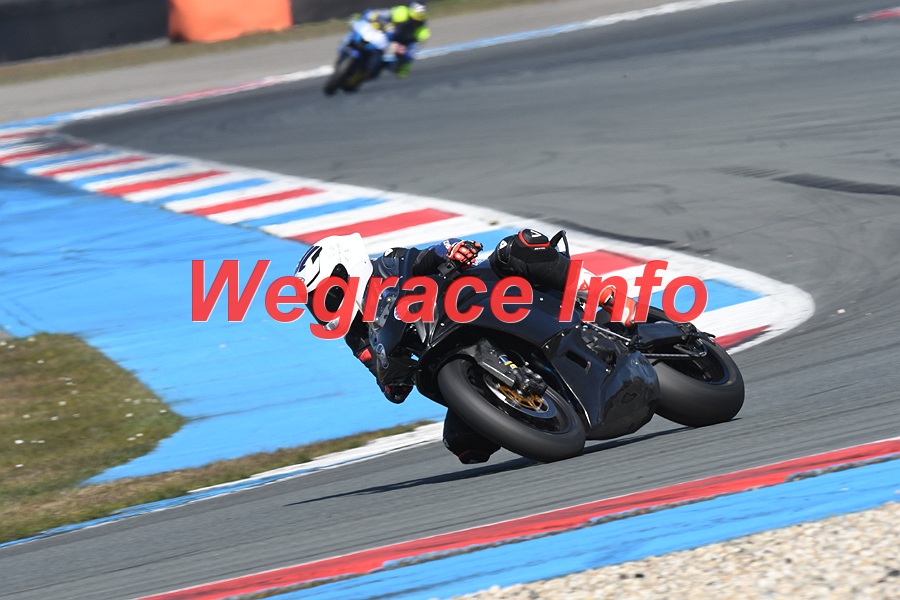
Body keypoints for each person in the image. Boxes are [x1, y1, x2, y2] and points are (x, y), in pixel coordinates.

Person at [355, 2, 431, 79]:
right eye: (412, 19)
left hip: (400, 43)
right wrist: (385, 25)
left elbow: (413, 51)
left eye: (417, 22)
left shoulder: (423, 32)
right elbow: (382, 14)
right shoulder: (401, 12)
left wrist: (404, 51)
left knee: (402, 64)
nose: (413, 23)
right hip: (384, 33)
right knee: (368, 18)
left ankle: (380, 66)